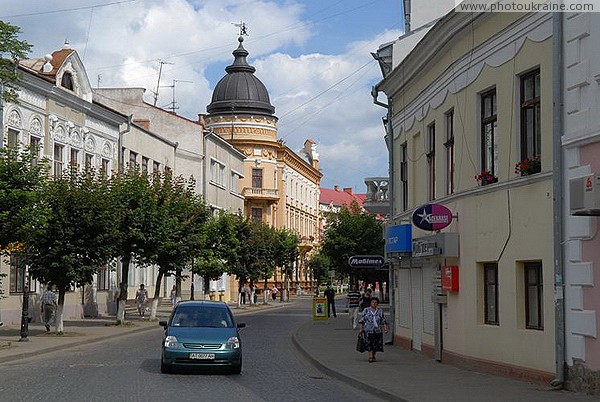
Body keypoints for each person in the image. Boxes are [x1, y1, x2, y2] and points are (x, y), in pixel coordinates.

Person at [358, 297, 389, 363]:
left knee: (376, 344)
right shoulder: (366, 310)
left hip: (378, 330)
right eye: (373, 302)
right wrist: (361, 329)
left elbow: (383, 320)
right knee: (369, 343)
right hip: (368, 330)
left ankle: (374, 355)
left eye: (375, 302)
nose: (374, 303)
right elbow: (362, 320)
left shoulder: (380, 311)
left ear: (377, 304)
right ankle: (370, 356)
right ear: (370, 303)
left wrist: (385, 328)